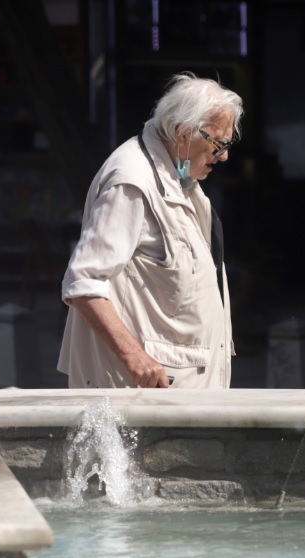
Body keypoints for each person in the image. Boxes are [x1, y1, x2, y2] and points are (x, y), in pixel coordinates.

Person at [57, 72, 243, 389]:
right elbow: (83, 282)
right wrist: (134, 357)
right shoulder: (131, 181)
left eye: (229, 143)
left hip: (177, 390)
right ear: (183, 132)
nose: (224, 155)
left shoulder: (180, 173)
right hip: (145, 394)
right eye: (218, 143)